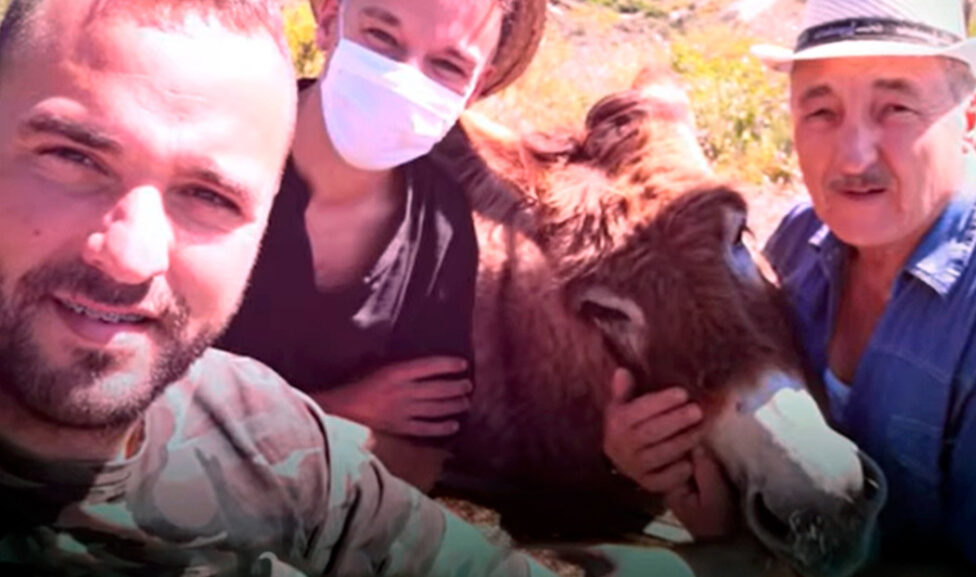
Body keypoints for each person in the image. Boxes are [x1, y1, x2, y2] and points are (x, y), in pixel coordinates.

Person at [0, 0, 566, 574]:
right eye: (72, 157)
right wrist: (350, 408)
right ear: (327, 18)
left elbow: (417, 457)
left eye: (208, 197)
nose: (131, 256)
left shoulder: (284, 447)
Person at [603, 0, 976, 574]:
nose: (852, 159)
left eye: (895, 108)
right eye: (821, 111)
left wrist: (749, 553)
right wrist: (660, 453)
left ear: (969, 117)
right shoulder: (801, 237)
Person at [215, 0, 547, 491]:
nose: (403, 78)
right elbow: (119, 391)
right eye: (381, 37)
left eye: (448, 66)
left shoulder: (442, 229)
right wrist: (335, 409)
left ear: (475, 88)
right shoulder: (211, 158)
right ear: (329, 19)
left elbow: (414, 461)